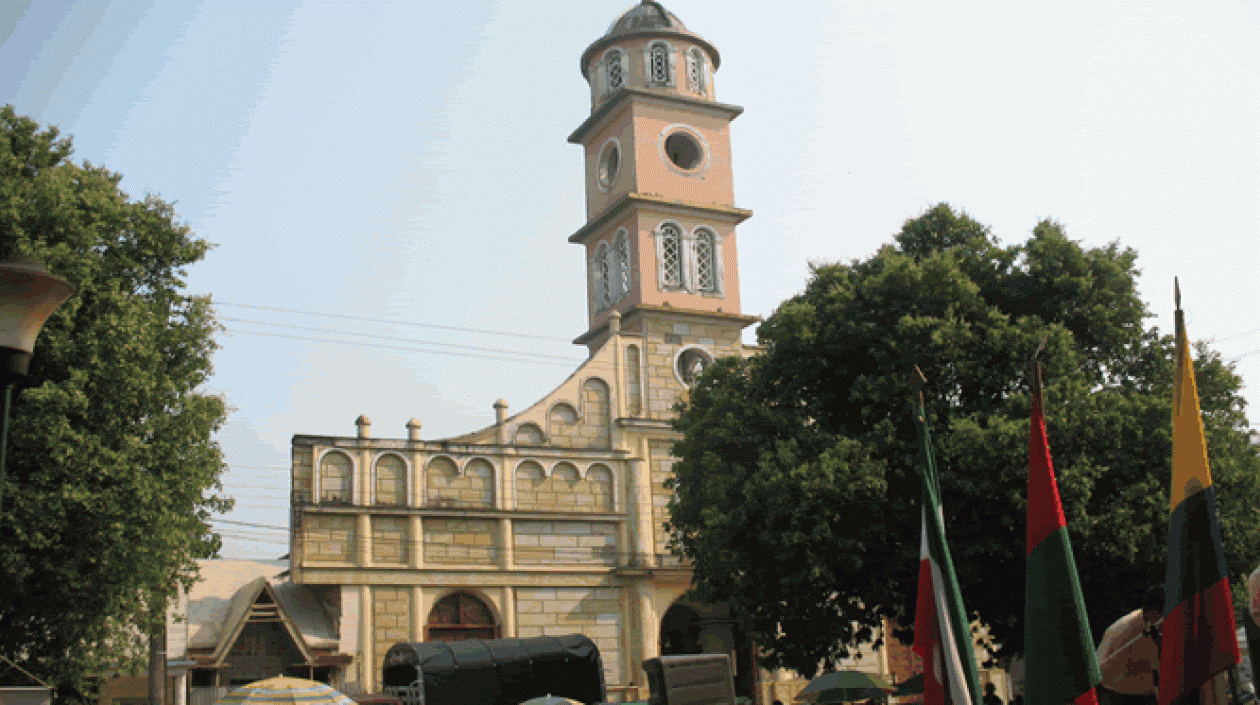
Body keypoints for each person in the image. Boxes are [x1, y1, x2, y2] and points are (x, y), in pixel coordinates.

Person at [1096, 586, 1164, 705]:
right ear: (1152, 614)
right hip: (1119, 695)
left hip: (1147, 693)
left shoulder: (1155, 627)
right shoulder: (1123, 631)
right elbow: (1100, 671)